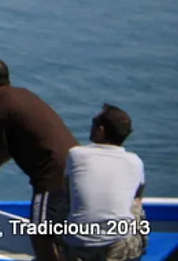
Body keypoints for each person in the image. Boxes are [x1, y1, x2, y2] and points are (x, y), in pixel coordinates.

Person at [0, 57, 79, 261]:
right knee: (59, 228)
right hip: (76, 169)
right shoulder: (22, 94)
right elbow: (8, 150)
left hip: (51, 176)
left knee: (41, 233)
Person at [63, 105, 147, 261]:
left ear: (101, 130)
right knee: (135, 203)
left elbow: (67, 193)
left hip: (79, 243)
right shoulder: (135, 162)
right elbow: (137, 196)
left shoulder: (76, 154)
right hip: (118, 243)